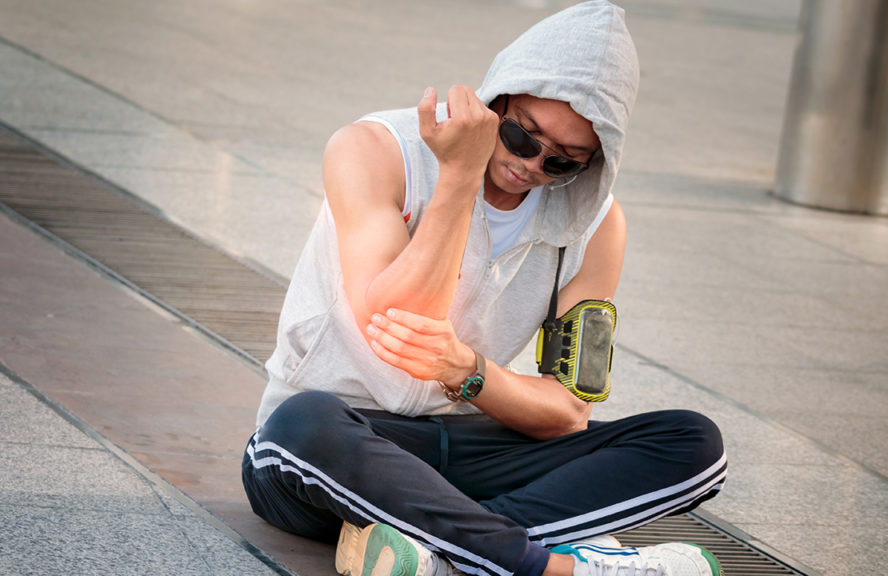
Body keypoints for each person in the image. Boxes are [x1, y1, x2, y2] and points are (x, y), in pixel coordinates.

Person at [241, 2, 727, 576]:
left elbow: (566, 410)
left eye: (563, 163)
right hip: (343, 448)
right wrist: (459, 175)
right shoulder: (375, 150)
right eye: (522, 136)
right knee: (301, 424)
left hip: (470, 447)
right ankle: (550, 567)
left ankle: (436, 553)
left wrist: (467, 371)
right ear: (497, 99)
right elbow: (396, 317)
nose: (531, 166)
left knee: (692, 444)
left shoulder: (597, 227)